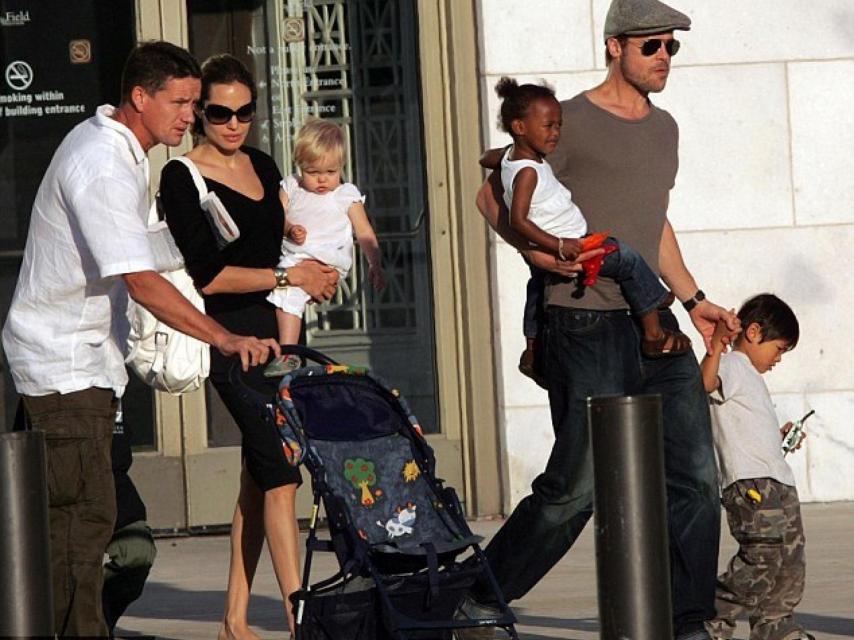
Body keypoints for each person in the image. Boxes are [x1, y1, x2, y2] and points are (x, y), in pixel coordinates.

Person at [463, 1, 741, 638]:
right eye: (653, 46)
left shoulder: (664, 128)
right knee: (578, 485)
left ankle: (687, 621)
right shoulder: (568, 122)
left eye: (673, 46)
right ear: (614, 46)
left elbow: (653, 220)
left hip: (655, 322)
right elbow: (492, 192)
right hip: (585, 322)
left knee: (696, 478)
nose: (665, 56)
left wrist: (695, 303)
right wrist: (537, 253)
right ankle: (477, 595)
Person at [0, 41, 288, 638]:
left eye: (192, 103)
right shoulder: (104, 162)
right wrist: (223, 336)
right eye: (181, 102)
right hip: (65, 373)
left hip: (86, 369)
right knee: (86, 532)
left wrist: (199, 234)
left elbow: (132, 250)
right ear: (140, 97)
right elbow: (140, 281)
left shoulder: (122, 151)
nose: (190, 114)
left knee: (102, 535)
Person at [158, 54, 337, 639]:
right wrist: (288, 279)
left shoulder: (262, 164)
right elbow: (209, 275)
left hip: (283, 335)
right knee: (283, 476)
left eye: (245, 112)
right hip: (235, 345)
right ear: (200, 112)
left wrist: (312, 267)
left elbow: (283, 248)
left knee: (257, 479)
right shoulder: (181, 177)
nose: (233, 123)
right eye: (218, 112)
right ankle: (299, 617)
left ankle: (235, 620)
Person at [485, 76, 691, 358]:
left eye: (559, 125)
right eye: (548, 126)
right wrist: (554, 247)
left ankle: (532, 350)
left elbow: (487, 159)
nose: (556, 133)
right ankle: (654, 328)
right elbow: (517, 220)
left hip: (568, 243)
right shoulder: (529, 172)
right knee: (628, 259)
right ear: (519, 127)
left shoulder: (513, 158)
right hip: (576, 245)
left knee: (536, 287)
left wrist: (496, 157)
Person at [701, 294, 814, 640]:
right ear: (752, 332)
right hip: (751, 486)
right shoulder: (732, 364)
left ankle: (776, 625)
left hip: (778, 482)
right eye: (778, 349)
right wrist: (716, 345)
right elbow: (703, 384)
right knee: (762, 555)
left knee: (790, 562)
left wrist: (778, 435)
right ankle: (711, 620)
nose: (778, 358)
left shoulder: (752, 376)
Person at [263, 117, 386, 376]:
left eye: (330, 173)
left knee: (289, 293)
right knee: (286, 295)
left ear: (341, 166)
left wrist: (375, 262)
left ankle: (288, 351)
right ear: (299, 166)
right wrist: (288, 229)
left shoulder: (345, 194)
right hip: (296, 257)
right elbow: (275, 216)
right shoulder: (292, 187)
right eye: (313, 172)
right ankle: (289, 351)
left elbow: (364, 231)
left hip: (329, 258)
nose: (322, 180)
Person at [102, 401, 157, 637]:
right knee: (71, 564)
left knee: (137, 551)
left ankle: (99, 622)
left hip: (112, 474)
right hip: (61, 474)